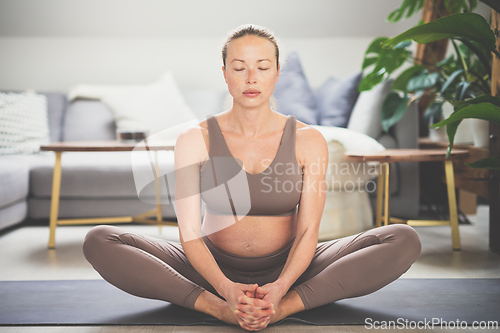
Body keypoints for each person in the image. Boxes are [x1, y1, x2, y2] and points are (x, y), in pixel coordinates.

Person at [83, 24, 422, 331]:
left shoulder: (308, 140)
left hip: (292, 266)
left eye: (262, 67)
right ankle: (217, 309)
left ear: (276, 73)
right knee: (99, 240)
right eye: (239, 68)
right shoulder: (194, 139)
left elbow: (307, 232)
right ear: (225, 74)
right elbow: (188, 233)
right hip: (208, 266)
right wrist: (224, 289)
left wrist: (283, 286)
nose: (251, 79)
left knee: (402, 238)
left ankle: (284, 308)